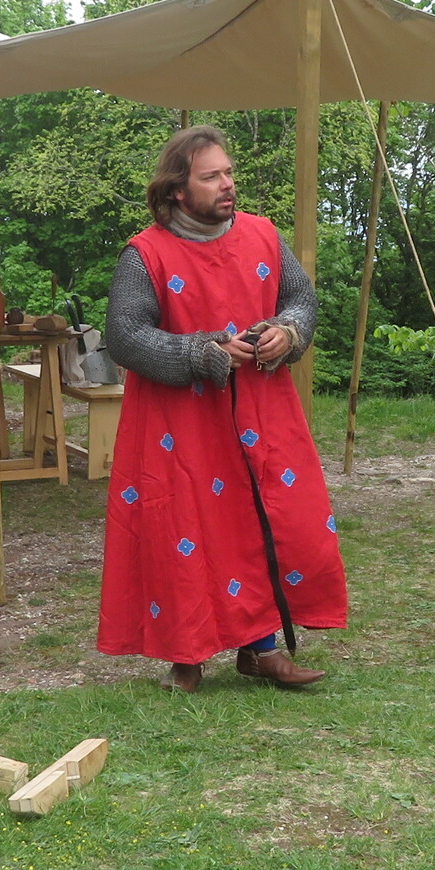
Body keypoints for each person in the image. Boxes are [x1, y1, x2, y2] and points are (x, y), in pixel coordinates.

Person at [97, 126, 348, 691]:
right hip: (180, 421)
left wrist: (288, 331)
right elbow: (126, 336)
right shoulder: (146, 253)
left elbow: (299, 298)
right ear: (178, 190)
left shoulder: (263, 236)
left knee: (264, 518)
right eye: (211, 177)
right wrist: (200, 351)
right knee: (187, 527)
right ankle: (186, 655)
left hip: (262, 409)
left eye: (228, 173)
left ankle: (261, 650)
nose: (228, 184)